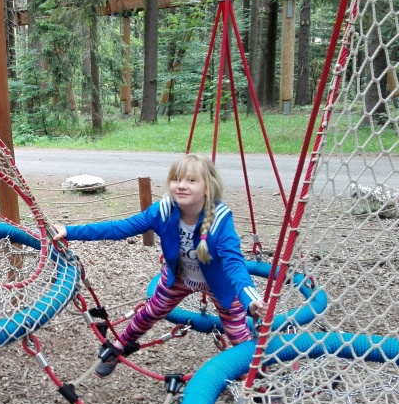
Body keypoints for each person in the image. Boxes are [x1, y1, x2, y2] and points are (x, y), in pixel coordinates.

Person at [53, 154, 267, 378]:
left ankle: (260, 382)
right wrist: (70, 231)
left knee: (238, 333)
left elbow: (234, 263)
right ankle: (119, 346)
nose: (181, 186)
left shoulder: (220, 220)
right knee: (150, 312)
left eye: (191, 180)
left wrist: (249, 298)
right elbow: (120, 228)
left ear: (208, 187)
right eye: (176, 179)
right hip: (180, 276)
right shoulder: (163, 211)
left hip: (219, 283)